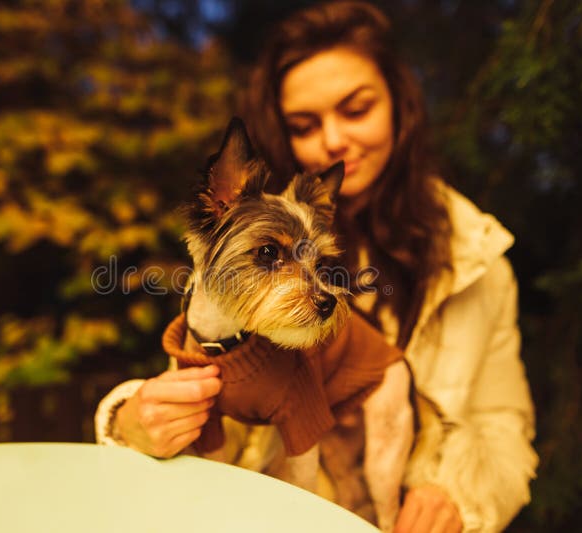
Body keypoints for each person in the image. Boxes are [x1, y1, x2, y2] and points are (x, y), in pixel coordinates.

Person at [94, 2, 537, 532]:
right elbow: (185, 390)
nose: (333, 140)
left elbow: (503, 428)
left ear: (400, 104)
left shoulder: (478, 258)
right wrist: (130, 423)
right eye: (305, 124)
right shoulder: (239, 237)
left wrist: (458, 500)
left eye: (356, 109)